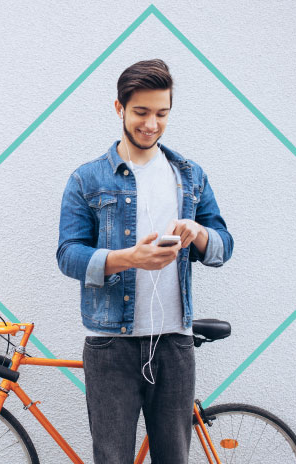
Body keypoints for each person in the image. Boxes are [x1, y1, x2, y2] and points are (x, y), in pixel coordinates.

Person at [56, 58, 234, 463]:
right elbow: (68, 255)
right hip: (110, 347)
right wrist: (127, 258)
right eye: (141, 112)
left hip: (174, 343)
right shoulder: (87, 179)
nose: (151, 124)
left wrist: (199, 234)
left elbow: (223, 245)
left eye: (161, 113)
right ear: (119, 108)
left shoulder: (190, 175)